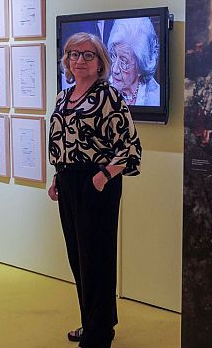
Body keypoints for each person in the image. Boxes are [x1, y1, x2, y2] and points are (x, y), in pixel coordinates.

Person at [48, 32, 142, 348]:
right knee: (78, 257)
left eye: (88, 55)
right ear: (66, 60)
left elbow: (130, 147)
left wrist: (103, 176)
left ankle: (100, 333)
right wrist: (57, 176)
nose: (80, 60)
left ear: (100, 61)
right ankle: (92, 323)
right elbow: (61, 141)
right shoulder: (64, 97)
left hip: (97, 183)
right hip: (69, 181)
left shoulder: (110, 96)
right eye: (74, 54)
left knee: (97, 257)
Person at [106, 18, 161, 106]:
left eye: (123, 61)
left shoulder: (156, 98)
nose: (114, 70)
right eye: (113, 56)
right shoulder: (100, 93)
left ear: (141, 66)